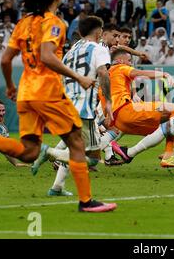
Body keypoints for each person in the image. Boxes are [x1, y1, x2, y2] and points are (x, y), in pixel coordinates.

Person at [0, 0, 116, 213]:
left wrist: (9, 86)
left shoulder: (23, 23)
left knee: (29, 151)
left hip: (26, 91)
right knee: (76, 142)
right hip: (48, 91)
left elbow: (5, 59)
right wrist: (78, 77)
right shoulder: (55, 23)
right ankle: (86, 201)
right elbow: (46, 56)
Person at [30, 16, 113, 196]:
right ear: (99, 31)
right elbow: (103, 74)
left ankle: (57, 187)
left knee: (75, 148)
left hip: (66, 104)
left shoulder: (71, 51)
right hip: (84, 109)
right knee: (92, 159)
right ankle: (49, 151)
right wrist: (108, 101)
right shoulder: (99, 49)